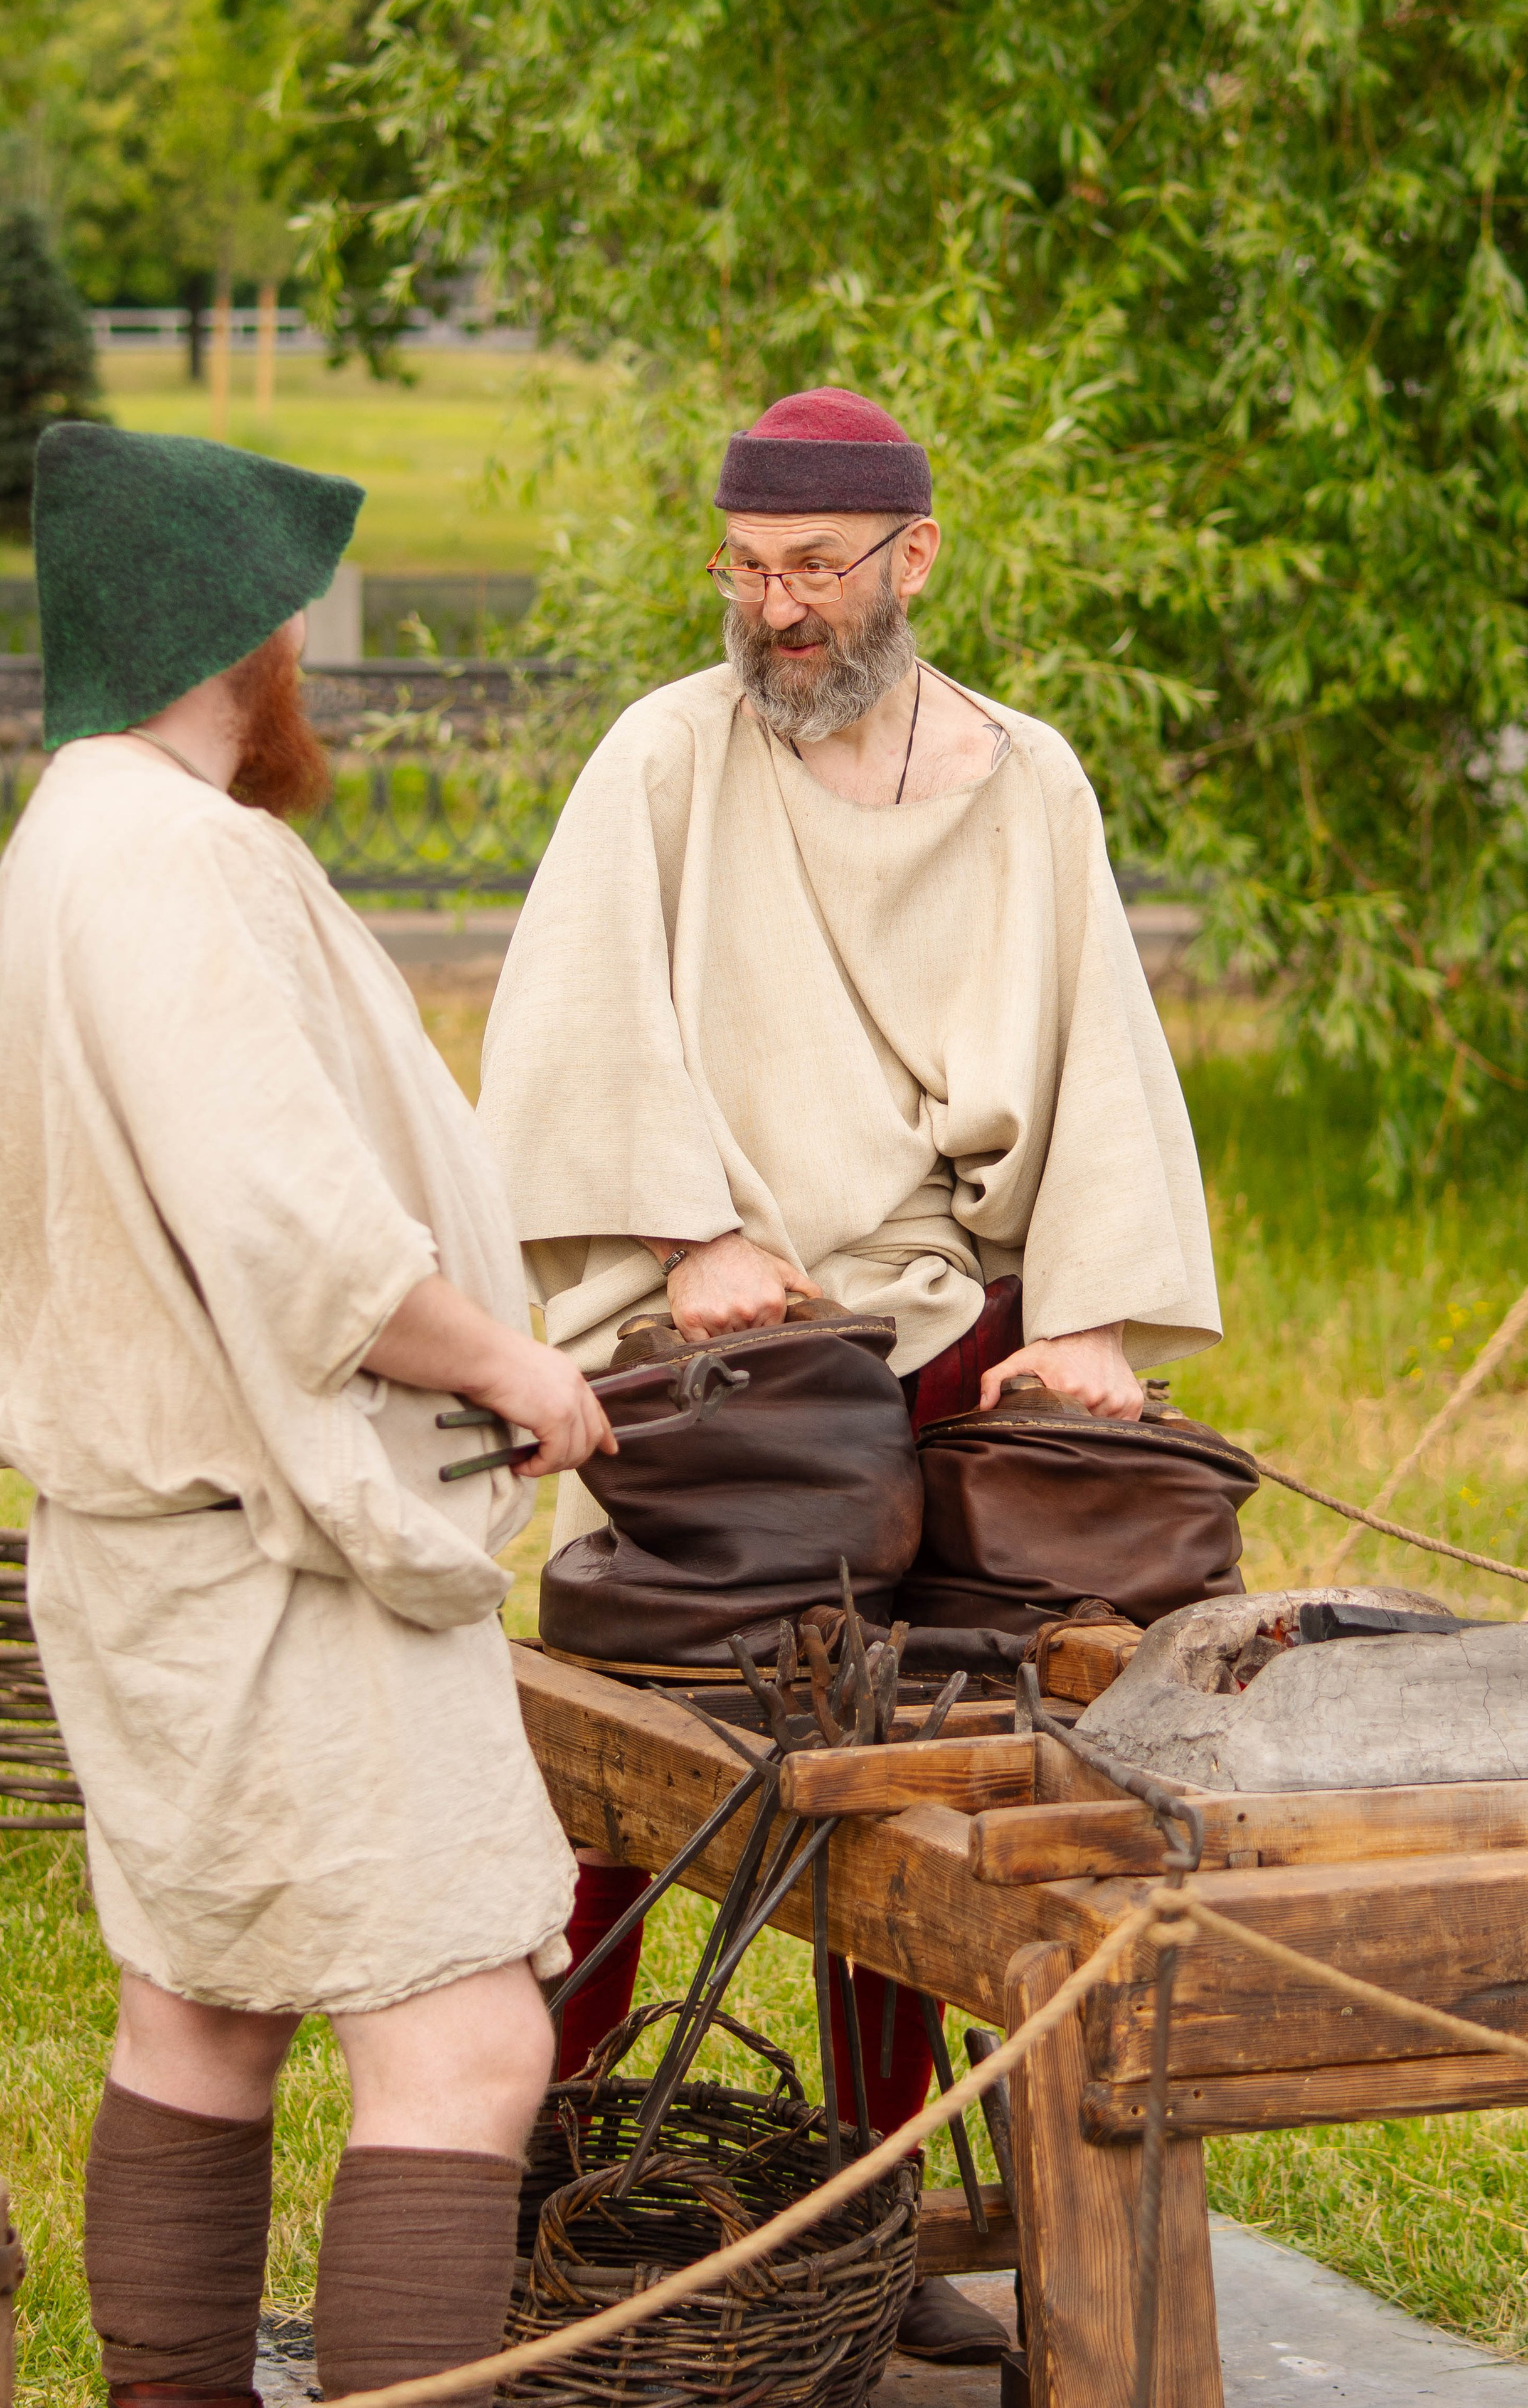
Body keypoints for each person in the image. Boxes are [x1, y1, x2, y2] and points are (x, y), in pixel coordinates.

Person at [477, 385, 1222, 2362]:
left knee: (944, 1799)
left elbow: (1104, 1068)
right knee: (648, 1797)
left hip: (953, 1348)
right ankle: (552, 2203)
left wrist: (1083, 1314)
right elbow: (570, 1036)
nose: (776, 610)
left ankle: (881, 2234)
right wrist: (687, 1236)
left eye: (814, 570)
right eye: (744, 568)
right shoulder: (665, 760)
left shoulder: (1031, 779)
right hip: (728, 1378)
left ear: (916, 558)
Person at [0, 421, 614, 2408]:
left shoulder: (64, 832)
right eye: (284, 628)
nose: (300, 669)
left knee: (199, 2018)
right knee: (468, 2047)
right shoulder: (178, 854)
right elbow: (295, 1233)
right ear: (229, 633)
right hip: (276, 1557)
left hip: (149, 1550)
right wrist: (511, 1363)